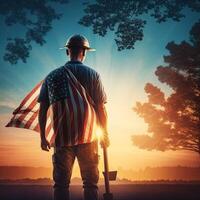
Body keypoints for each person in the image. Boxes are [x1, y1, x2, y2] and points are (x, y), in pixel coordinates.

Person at [38, 34, 110, 200]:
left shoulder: (53, 76)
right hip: (89, 136)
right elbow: (100, 108)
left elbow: (43, 109)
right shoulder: (93, 75)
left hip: (62, 138)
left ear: (67, 52)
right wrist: (105, 133)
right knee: (91, 183)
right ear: (84, 52)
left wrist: (43, 137)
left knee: (61, 184)